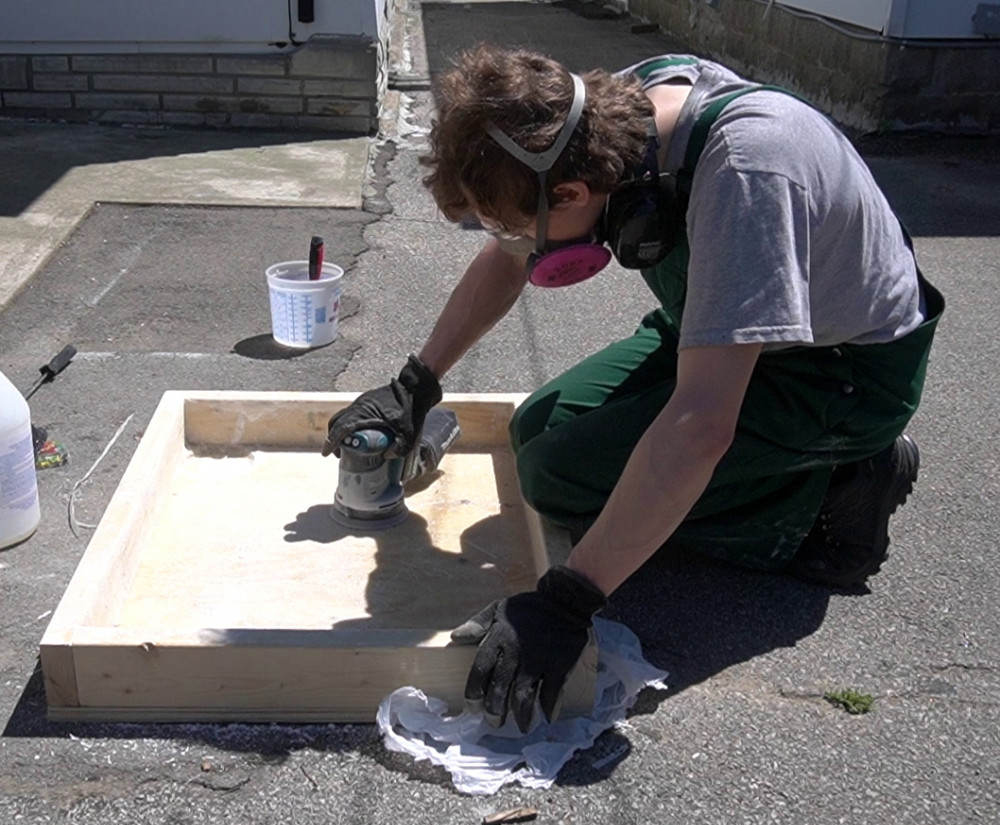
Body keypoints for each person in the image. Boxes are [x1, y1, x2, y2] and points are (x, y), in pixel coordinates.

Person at [322, 44, 943, 732]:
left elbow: (701, 423)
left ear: (571, 196)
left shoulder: (747, 171)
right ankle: (790, 469)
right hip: (731, 330)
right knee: (539, 438)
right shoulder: (602, 117)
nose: (516, 242)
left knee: (567, 478)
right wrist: (418, 382)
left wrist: (569, 598)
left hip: (840, 374)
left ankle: (839, 481)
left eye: (519, 223)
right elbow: (508, 260)